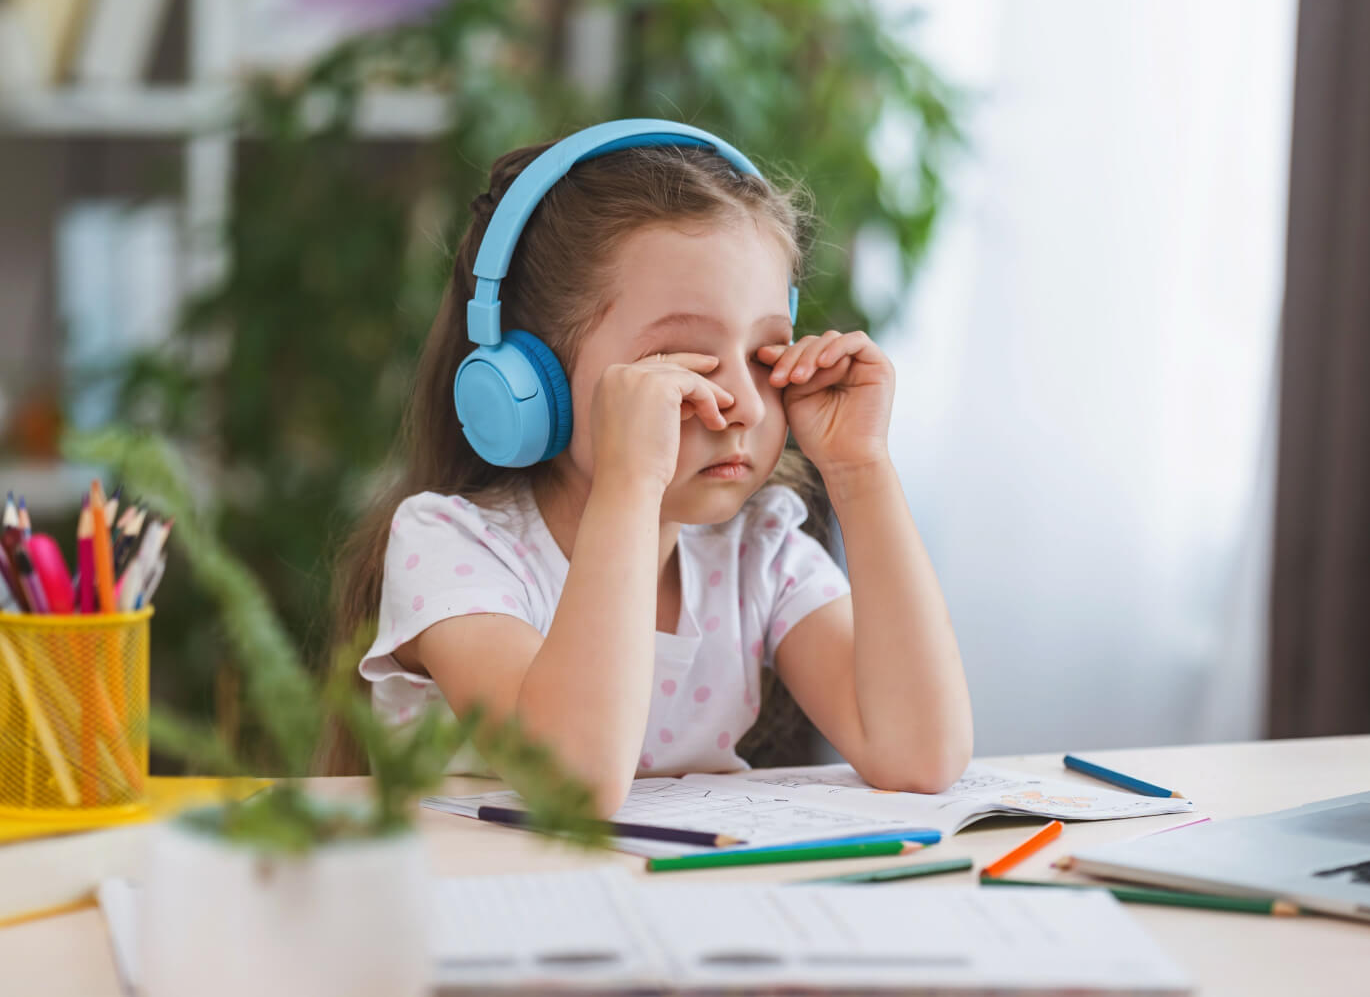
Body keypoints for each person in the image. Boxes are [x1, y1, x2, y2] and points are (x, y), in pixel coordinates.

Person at [330, 121, 972, 816]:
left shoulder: (758, 553)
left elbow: (919, 754)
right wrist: (630, 484)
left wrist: (860, 470)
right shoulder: (453, 549)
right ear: (528, 385)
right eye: (682, 363)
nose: (746, 408)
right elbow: (571, 785)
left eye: (764, 356)